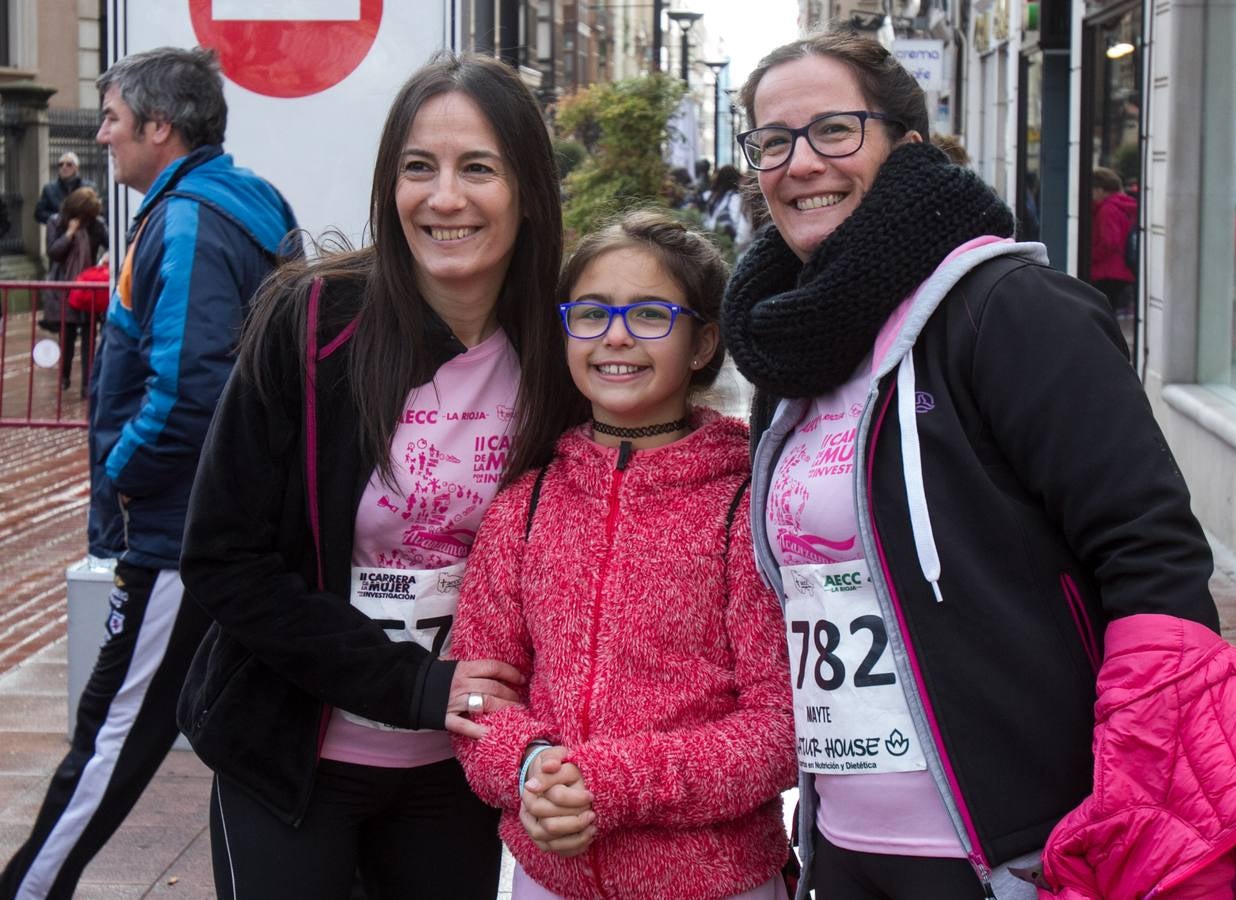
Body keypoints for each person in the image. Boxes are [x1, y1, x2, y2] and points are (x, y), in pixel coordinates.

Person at [722, 27, 1236, 900]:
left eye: (834, 131)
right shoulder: (791, 353)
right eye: (773, 142)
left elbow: (1150, 551)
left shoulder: (1008, 309)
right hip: (845, 842)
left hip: (1020, 849)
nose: (799, 163)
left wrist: (1132, 801)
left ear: (906, 148)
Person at [174, 53, 570, 900]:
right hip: (292, 759)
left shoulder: (564, 354)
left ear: (529, 190)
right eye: (417, 168)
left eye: (478, 169)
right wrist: (411, 686)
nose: (444, 198)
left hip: (459, 772)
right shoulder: (310, 324)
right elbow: (223, 559)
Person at [0, 47, 299, 900]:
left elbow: (189, 385)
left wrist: (125, 476)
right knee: (247, 738)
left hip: (177, 536)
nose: (102, 135)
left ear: (159, 128)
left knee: (108, 738)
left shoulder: (188, 219)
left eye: (113, 119)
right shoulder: (236, 204)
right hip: (230, 522)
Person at [452, 209, 797, 899]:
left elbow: (780, 728)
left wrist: (609, 783)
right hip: (551, 878)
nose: (615, 336)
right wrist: (529, 769)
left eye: (648, 316)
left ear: (702, 344)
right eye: (591, 313)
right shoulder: (525, 505)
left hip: (718, 883)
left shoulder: (745, 503)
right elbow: (478, 696)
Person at [41, 186, 109, 393]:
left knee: (89, 338)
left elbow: (110, 244)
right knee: (67, 337)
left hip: (87, 289)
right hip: (64, 288)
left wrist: (106, 258)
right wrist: (69, 234)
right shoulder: (56, 222)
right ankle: (65, 376)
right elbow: (53, 252)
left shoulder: (96, 226)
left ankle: (87, 384)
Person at [1088, 166, 1137, 321]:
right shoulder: (1123, 205)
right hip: (1121, 271)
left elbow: (1109, 242)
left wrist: (1088, 255)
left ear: (1101, 190)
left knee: (1101, 317)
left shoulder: (1107, 210)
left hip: (1106, 271)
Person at [704, 164, 753, 256]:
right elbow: (743, 232)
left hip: (717, 250)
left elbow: (708, 223)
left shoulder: (714, 199)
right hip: (734, 254)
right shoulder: (736, 198)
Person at [34, 152, 87, 225]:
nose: (64, 167)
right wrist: (58, 218)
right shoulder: (49, 189)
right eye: (61, 165)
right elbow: (39, 214)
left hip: (83, 231)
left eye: (69, 164)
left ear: (77, 168)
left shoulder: (88, 188)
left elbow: (97, 211)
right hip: (59, 233)